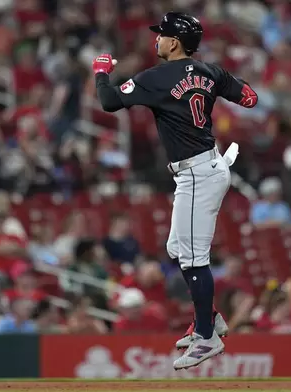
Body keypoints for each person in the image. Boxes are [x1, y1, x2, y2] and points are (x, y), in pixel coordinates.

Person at [92, 12, 258, 370]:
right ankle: (208, 318)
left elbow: (109, 102)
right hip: (205, 166)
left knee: (194, 258)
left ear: (175, 42)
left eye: (162, 35)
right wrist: (214, 84)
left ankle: (205, 337)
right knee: (176, 248)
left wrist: (101, 70)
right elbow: (249, 98)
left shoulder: (157, 77)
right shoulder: (210, 71)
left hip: (199, 173)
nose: (157, 40)